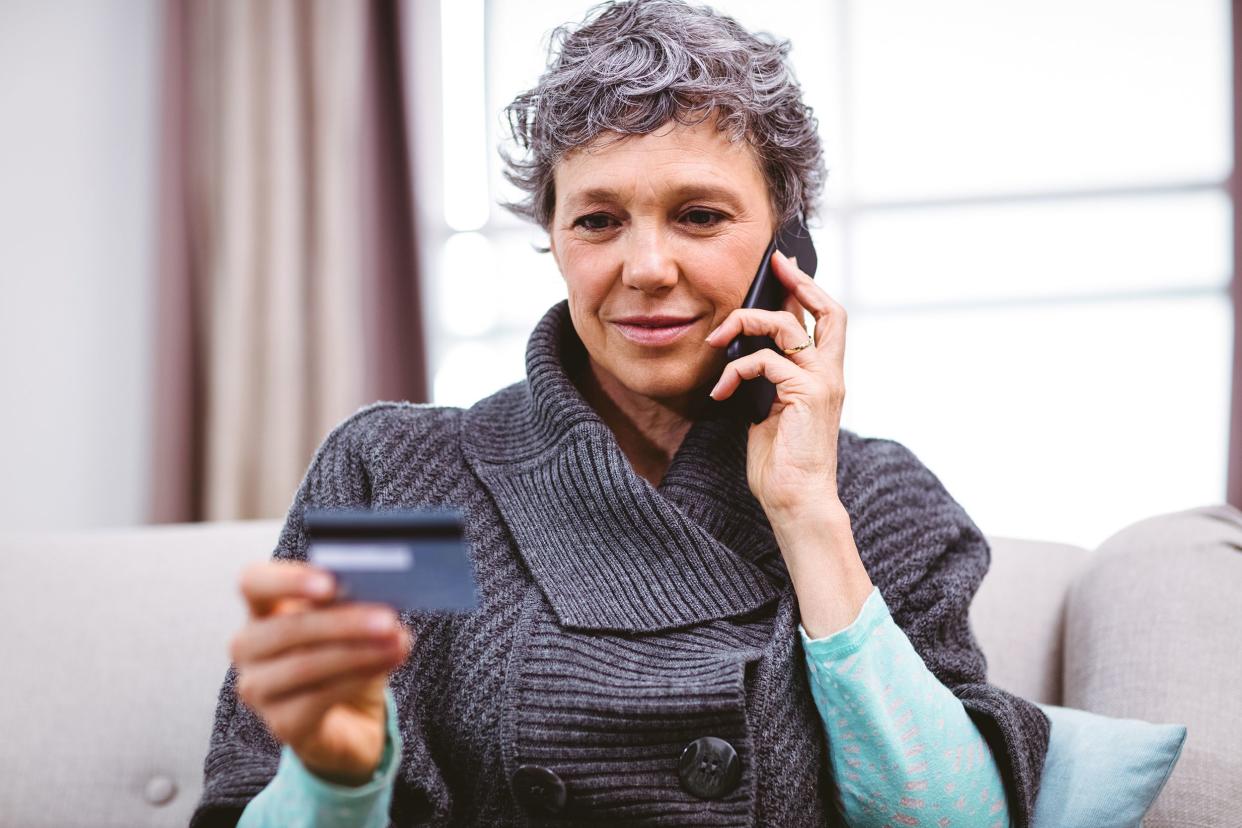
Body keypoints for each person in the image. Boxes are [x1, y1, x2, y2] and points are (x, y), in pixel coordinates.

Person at [191, 1, 1050, 826]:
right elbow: (310, 767)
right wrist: (336, 781)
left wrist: (805, 514)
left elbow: (956, 819)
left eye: (699, 216)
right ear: (556, 237)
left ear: (786, 248)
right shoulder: (412, 480)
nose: (645, 266)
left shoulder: (871, 498)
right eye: (598, 220)